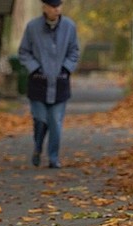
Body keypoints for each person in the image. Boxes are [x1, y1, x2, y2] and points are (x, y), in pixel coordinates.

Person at [19, 0, 80, 168]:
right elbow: (24, 52)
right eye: (53, 6)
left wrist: (66, 68)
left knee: (55, 121)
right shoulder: (32, 27)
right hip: (38, 83)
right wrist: (35, 68)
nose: (56, 10)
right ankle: (38, 147)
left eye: (59, 6)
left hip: (60, 83)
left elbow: (74, 50)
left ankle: (53, 158)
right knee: (40, 120)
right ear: (44, 7)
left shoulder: (69, 26)